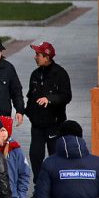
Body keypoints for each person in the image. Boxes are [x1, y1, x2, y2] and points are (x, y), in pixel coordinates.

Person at [25, 41, 72, 182]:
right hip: (37, 125)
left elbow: (66, 96)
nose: (35, 57)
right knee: (35, 156)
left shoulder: (60, 74)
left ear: (47, 57)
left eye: (37, 54)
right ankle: (39, 186)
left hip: (54, 125)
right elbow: (30, 97)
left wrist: (49, 99)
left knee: (55, 157)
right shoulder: (35, 74)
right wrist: (24, 112)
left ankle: (55, 186)